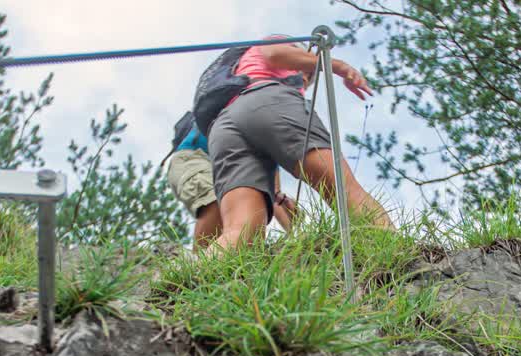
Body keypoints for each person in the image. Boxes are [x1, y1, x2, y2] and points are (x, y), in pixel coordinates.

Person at [206, 37, 393, 251]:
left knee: (241, 230)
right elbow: (275, 54)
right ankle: (399, 257)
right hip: (269, 100)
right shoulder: (276, 43)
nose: (305, 79)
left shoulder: (241, 68)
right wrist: (339, 67)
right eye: (306, 72)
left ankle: (176, 284)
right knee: (342, 188)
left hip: (224, 125)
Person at [166, 118, 297, 249]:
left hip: (217, 169)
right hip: (193, 157)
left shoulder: (266, 152)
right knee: (215, 201)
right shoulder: (252, 121)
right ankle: (198, 265)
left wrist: (296, 234)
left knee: (247, 221)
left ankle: (214, 261)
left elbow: (274, 197)